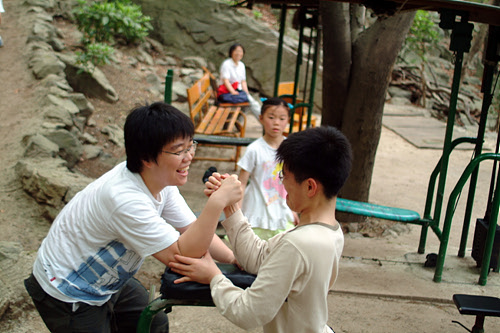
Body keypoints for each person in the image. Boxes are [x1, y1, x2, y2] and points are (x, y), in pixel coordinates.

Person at [24, 102, 242, 333]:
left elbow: (190, 229)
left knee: (153, 323)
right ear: (147, 157)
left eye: (191, 146)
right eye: (179, 151)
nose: (189, 157)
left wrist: (232, 258)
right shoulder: (124, 198)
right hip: (69, 290)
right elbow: (184, 253)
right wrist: (216, 203)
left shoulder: (160, 181)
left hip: (108, 281)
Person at [169, 126, 353, 333]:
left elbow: (249, 313)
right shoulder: (329, 232)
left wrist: (213, 276)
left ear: (310, 187)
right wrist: (231, 207)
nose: (282, 185)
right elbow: (257, 258)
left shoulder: (299, 244)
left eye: (284, 178)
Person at [237, 97, 298, 239]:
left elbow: (293, 182)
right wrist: (237, 212)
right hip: (256, 213)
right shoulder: (254, 149)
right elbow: (242, 182)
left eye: (282, 118)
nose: (276, 122)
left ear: (288, 120)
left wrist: (293, 209)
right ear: (261, 118)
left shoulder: (290, 148)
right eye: (271, 117)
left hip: (282, 212)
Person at [218, 43, 260, 118]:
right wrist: (233, 92)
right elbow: (226, 81)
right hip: (228, 92)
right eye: (236, 51)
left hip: (239, 91)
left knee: (251, 103)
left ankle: (238, 121)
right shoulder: (226, 64)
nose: (238, 53)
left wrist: (246, 92)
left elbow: (243, 81)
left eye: (240, 51)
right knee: (252, 104)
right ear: (231, 52)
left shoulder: (241, 65)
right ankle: (262, 120)